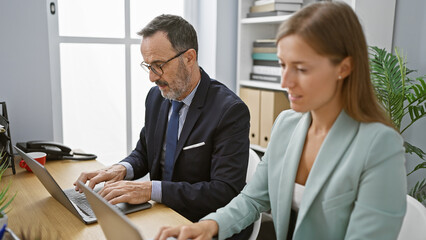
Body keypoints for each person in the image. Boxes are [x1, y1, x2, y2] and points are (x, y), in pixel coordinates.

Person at [154, 2, 407, 240]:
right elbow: (253, 200)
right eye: (283, 65)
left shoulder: (380, 146)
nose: (285, 82)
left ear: (344, 68)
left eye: (302, 69)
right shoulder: (287, 124)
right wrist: (208, 226)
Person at [74, 14, 253, 238]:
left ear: (189, 57)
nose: (151, 77)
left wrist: (149, 189)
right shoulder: (156, 97)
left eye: (158, 66)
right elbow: (145, 152)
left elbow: (224, 192)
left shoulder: (230, 111)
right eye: (148, 66)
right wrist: (121, 169)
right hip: (162, 214)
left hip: (202, 224)